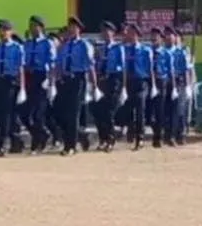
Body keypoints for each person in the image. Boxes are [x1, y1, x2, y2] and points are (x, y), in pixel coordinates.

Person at [55, 17, 94, 156]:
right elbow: (58, 64)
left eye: (74, 27)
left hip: (78, 80)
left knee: (73, 114)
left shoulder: (84, 45)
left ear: (79, 29)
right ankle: (81, 135)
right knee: (61, 113)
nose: (71, 29)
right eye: (69, 27)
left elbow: (90, 65)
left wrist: (93, 86)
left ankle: (70, 145)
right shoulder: (64, 46)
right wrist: (55, 80)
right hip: (65, 80)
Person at [0, 19, 26, 156]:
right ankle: (15, 141)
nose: (2, 32)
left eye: (5, 30)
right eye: (0, 30)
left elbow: (20, 68)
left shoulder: (17, 48)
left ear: (11, 31)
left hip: (10, 82)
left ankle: (2, 144)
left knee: (6, 114)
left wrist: (22, 88)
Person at [22, 15, 54, 152]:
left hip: (42, 78)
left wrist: (50, 81)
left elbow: (52, 63)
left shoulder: (47, 43)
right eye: (30, 25)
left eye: (34, 25)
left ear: (40, 27)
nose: (31, 28)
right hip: (29, 77)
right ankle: (42, 134)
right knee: (25, 113)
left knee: (38, 113)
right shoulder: (27, 44)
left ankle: (38, 142)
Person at [92, 21, 124, 152]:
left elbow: (123, 68)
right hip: (101, 81)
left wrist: (123, 87)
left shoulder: (118, 48)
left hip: (113, 81)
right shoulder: (100, 48)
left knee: (109, 112)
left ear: (113, 33)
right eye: (103, 31)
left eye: (108, 31)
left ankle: (110, 139)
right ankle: (102, 138)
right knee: (98, 111)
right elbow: (95, 65)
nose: (105, 34)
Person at [121, 23, 152, 150]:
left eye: (133, 33)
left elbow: (150, 68)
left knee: (140, 111)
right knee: (128, 109)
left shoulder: (145, 50)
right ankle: (130, 131)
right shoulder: (125, 50)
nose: (131, 35)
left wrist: (152, 85)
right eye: (129, 33)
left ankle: (140, 138)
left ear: (138, 35)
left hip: (141, 82)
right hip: (129, 82)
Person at [165, 27, 195, 146]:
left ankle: (179, 135)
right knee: (169, 110)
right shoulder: (164, 52)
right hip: (167, 82)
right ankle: (169, 135)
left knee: (179, 110)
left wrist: (188, 86)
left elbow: (187, 70)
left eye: (172, 35)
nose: (170, 37)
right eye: (167, 35)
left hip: (179, 82)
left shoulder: (182, 51)